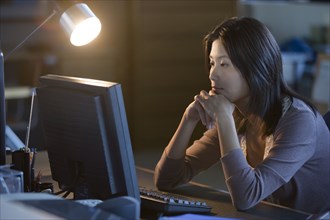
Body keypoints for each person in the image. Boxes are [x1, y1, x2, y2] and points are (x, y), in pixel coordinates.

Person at [154, 17, 330, 214]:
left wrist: (223, 119)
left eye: (224, 64)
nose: (212, 74)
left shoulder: (299, 120)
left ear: (256, 67)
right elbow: (166, 180)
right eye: (212, 63)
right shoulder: (237, 114)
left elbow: (246, 196)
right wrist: (188, 119)